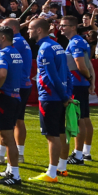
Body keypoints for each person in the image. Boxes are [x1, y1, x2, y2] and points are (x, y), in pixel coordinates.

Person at [27, 18, 72, 183]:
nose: (28, 31)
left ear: (39, 30)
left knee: (51, 135)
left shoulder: (45, 48)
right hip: (59, 97)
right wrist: (67, 94)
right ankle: (61, 168)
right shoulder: (57, 45)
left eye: (31, 28)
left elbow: (51, 76)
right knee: (60, 132)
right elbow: (67, 73)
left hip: (50, 97)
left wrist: (64, 95)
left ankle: (52, 173)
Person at [0, 18, 33, 165]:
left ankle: (8, 157)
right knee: (17, 121)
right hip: (21, 85)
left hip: (12, 87)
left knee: (8, 125)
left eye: (1, 28)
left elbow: (3, 72)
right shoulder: (20, 41)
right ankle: (15, 154)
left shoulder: (12, 45)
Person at [0, 25, 26, 186]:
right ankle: (11, 170)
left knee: (7, 137)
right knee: (9, 135)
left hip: (5, 97)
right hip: (16, 96)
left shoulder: (3, 53)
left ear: (3, 38)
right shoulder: (15, 52)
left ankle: (15, 175)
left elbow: (2, 73)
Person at [60, 16, 96, 165]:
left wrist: (88, 79)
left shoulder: (75, 43)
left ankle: (78, 155)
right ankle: (85, 152)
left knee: (78, 119)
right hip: (81, 83)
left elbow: (81, 65)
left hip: (76, 84)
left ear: (73, 27)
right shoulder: (80, 41)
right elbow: (89, 64)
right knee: (85, 118)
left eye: (64, 25)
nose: (61, 28)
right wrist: (91, 80)